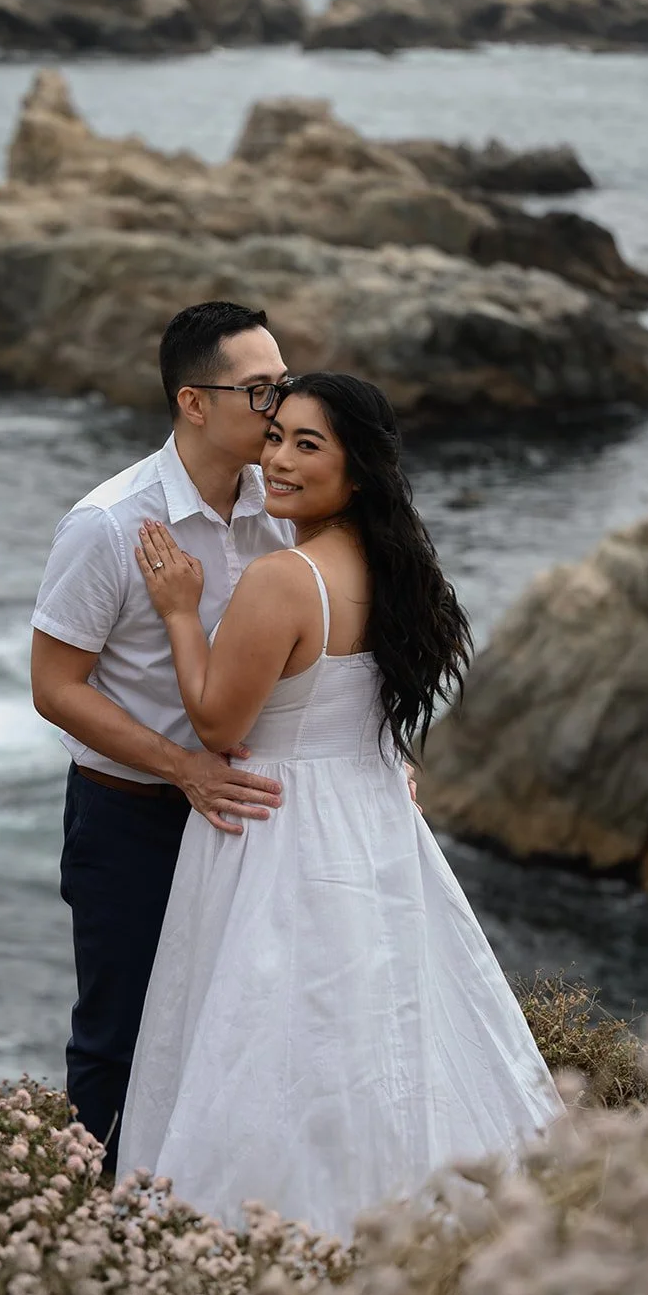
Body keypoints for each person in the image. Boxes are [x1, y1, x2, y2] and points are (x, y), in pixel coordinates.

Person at [118, 372, 564, 1241]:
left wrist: (178, 610)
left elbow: (216, 721)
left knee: (266, 1040)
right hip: (371, 822)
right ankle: (398, 1217)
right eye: (276, 434)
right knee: (380, 1026)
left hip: (274, 825)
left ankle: (264, 1232)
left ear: (357, 471)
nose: (277, 459)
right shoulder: (401, 568)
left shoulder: (284, 579)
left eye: (306, 445)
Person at [31, 302, 295, 1171]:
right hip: (129, 819)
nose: (281, 409)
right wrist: (185, 768)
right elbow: (55, 689)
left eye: (284, 385)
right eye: (260, 392)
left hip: (250, 815)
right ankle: (91, 1234)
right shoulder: (108, 525)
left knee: (244, 1033)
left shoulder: (284, 507)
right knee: (122, 1038)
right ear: (193, 402)